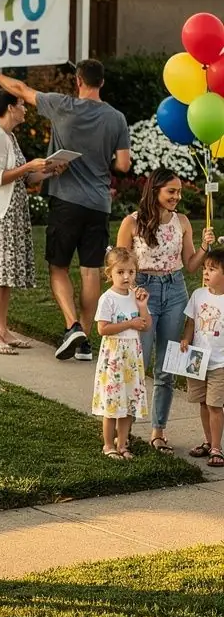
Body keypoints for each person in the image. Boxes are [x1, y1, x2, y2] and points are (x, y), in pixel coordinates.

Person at [0, 58, 131, 363]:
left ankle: (71, 325)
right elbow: (123, 165)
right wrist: (103, 163)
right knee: (90, 271)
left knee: (59, 267)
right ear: (102, 83)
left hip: (66, 201)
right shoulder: (116, 118)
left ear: (78, 81)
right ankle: (85, 339)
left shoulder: (63, 106)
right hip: (99, 204)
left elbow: (21, 88)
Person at [117, 168, 214, 452]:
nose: (176, 197)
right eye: (171, 191)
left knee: (168, 367)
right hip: (143, 292)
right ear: (155, 190)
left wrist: (205, 247)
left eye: (179, 192)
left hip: (174, 290)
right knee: (138, 363)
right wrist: (133, 292)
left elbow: (191, 264)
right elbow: (120, 264)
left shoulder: (182, 222)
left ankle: (159, 430)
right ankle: (127, 429)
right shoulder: (132, 223)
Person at [0, 89, 50, 353]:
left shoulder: (9, 137)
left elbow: (24, 178)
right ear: (10, 107)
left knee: (5, 274)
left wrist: (47, 170)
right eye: (21, 105)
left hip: (12, 213)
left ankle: (3, 329)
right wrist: (29, 166)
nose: (25, 109)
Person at [91, 247, 150, 461]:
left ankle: (123, 444)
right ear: (110, 274)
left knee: (128, 404)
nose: (126, 277)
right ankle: (108, 445)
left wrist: (142, 306)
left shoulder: (136, 296)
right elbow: (102, 329)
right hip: (114, 357)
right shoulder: (108, 299)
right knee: (113, 403)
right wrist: (128, 323)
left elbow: (146, 324)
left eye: (131, 272)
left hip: (132, 357)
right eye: (121, 272)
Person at [181, 244, 224, 468]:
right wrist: (186, 339)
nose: (206, 273)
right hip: (198, 359)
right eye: (205, 268)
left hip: (220, 363)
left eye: (213, 269)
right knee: (203, 404)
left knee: (215, 405)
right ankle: (208, 442)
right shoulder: (198, 295)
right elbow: (191, 322)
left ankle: (217, 448)